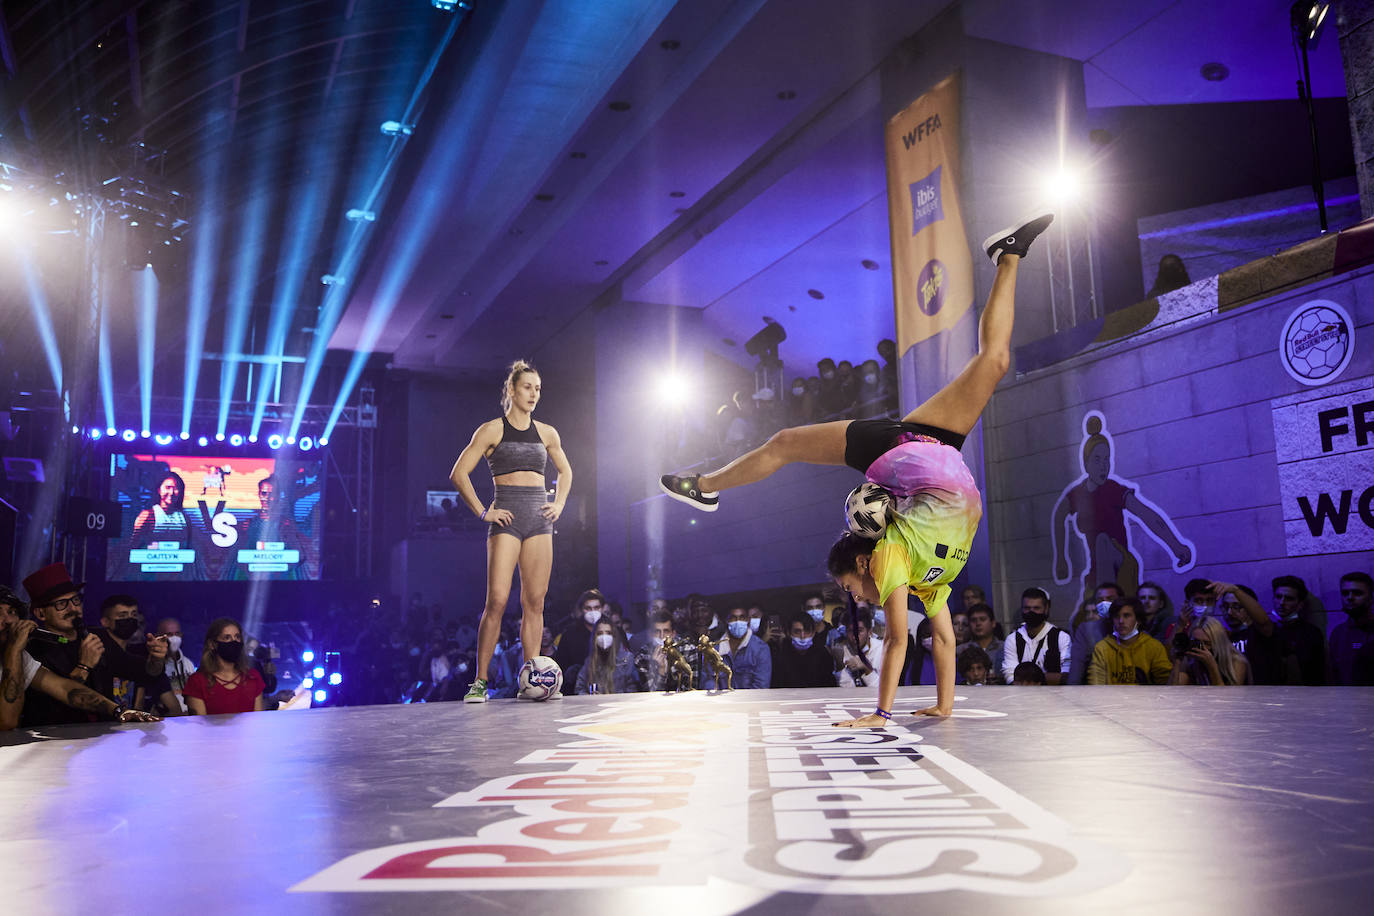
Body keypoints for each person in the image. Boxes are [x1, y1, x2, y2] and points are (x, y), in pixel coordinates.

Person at [662, 214, 1054, 725]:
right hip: (924, 453)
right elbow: (928, 638)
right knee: (995, 361)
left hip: (908, 456)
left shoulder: (898, 564)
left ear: (864, 563)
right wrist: (917, 708)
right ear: (863, 563)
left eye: (848, 587)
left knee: (785, 442)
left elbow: (908, 636)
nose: (853, 594)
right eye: (849, 588)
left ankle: (707, 486)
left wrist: (910, 709)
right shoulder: (910, 573)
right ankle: (1010, 255)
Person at [449, 360, 572, 703]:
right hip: (507, 519)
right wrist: (483, 511)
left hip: (540, 521)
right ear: (512, 390)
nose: (534, 394)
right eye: (528, 387)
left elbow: (566, 472)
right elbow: (459, 473)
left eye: (538, 389)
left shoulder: (548, 432)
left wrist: (559, 504)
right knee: (497, 601)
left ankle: (532, 680)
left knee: (534, 601)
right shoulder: (491, 430)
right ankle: (480, 682)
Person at [2, 590, 159, 729]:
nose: (73, 608)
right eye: (62, 604)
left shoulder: (97, 637)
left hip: (94, 739)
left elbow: (65, 689)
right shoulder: (30, 647)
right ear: (41, 614)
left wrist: (118, 710)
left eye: (12, 612)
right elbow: (10, 721)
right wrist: (84, 667)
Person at [182, 618, 267, 714]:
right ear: (212, 644)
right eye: (227, 638)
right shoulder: (198, 681)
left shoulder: (253, 677)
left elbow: (258, 721)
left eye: (237, 637)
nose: (234, 642)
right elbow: (198, 726)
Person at [1086, 597, 1171, 685]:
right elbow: (1095, 683)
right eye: (1116, 616)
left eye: (1126, 616)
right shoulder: (1102, 648)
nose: (1121, 621)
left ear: (1138, 619)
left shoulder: (1153, 646)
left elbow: (1166, 683)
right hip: (1111, 697)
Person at [1002, 587, 1070, 685]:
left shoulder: (1062, 637)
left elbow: (1066, 676)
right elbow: (1009, 674)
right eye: (1027, 608)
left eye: (1036, 608)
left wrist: (1028, 679)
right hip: (1021, 696)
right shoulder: (1012, 639)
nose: (1031, 612)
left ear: (1046, 609)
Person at [702, 606, 772, 690]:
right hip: (721, 701)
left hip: (751, 700)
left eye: (742, 618)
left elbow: (761, 685)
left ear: (748, 620)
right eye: (733, 618)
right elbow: (708, 681)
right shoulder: (714, 649)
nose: (738, 621)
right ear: (727, 620)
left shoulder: (760, 648)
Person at [1169, 616, 1252, 686]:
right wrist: (1177, 663)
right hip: (1201, 703)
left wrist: (1212, 666)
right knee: (1182, 677)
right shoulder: (1192, 660)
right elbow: (1171, 695)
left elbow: (1229, 701)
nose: (1201, 647)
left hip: (1228, 702)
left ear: (1218, 643)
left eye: (1206, 643)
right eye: (1196, 642)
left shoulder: (1237, 662)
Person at [1329, 571, 1374, 685]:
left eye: (1357, 593)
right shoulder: (1338, 634)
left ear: (1371, 597)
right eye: (1345, 593)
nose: (1349, 598)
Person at [770, 611, 836, 688]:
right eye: (797, 631)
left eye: (807, 631)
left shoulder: (823, 655)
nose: (802, 636)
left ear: (813, 632)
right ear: (789, 633)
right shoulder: (780, 656)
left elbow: (829, 686)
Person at [130, 472, 194, 550]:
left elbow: (189, 546)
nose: (171, 492)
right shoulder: (147, 516)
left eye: (176, 488)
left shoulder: (185, 518)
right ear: (159, 490)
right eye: (168, 487)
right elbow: (134, 545)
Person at [575, 620, 637, 695]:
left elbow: (633, 691)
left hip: (619, 705)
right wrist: (590, 697)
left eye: (608, 633)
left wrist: (608, 698)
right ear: (595, 637)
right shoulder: (590, 661)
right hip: (596, 705)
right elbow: (579, 688)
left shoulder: (627, 659)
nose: (604, 637)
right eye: (600, 633)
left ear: (614, 636)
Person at [965, 603, 1003, 683]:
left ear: (993, 623)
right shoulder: (961, 650)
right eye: (973, 620)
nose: (978, 624)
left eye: (982, 619)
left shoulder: (1005, 648)